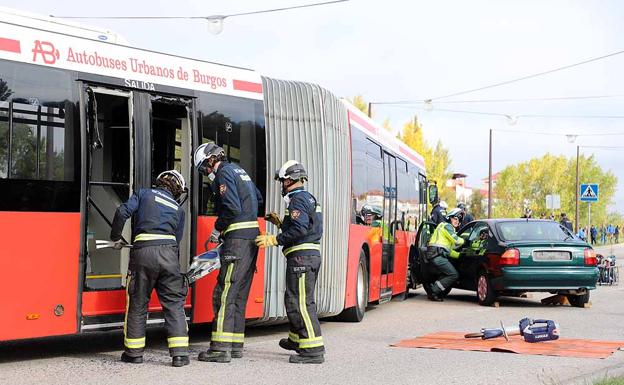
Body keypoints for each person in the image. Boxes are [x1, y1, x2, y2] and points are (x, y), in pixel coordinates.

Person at [110, 170, 190, 367]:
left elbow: (122, 212)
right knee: (174, 304)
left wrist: (116, 237)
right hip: (169, 256)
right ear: (177, 190)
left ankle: (134, 354)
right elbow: (176, 240)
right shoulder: (178, 209)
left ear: (160, 182)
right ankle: (180, 354)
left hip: (143, 254)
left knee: (137, 303)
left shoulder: (143, 193)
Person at [193, 143, 263, 363]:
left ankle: (220, 349)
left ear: (211, 160)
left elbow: (231, 207)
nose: (206, 173)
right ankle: (234, 346)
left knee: (224, 293)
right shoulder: (240, 171)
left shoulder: (223, 172)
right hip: (252, 239)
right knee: (239, 295)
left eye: (204, 168)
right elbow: (257, 198)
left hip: (237, 242)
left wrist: (217, 228)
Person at [256, 160, 325, 364]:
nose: (281, 184)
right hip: (306, 257)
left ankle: (313, 350)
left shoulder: (297, 200)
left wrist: (274, 239)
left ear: (290, 180)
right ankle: (297, 340)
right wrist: (280, 223)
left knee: (300, 303)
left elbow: (300, 230)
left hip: (302, 258)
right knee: (293, 299)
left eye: (282, 180)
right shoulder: (308, 198)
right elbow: (305, 226)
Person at [424, 208, 465, 302]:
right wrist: (465, 240)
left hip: (435, 255)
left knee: (446, 274)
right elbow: (457, 240)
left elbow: (449, 250)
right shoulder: (447, 226)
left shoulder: (442, 226)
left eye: (459, 220)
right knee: (454, 275)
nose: (457, 221)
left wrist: (459, 255)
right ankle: (433, 291)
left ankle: (433, 289)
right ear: (449, 218)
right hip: (437, 256)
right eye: (455, 218)